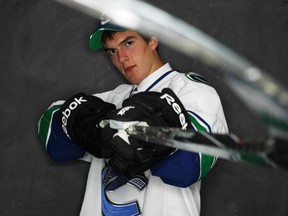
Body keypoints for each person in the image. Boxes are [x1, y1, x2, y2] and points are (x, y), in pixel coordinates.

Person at [38, 14, 228, 216]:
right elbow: (51, 132)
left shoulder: (192, 91)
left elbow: (189, 166)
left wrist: (145, 129)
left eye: (128, 43)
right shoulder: (114, 98)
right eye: (112, 50)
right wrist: (91, 124)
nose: (121, 58)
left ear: (152, 39)